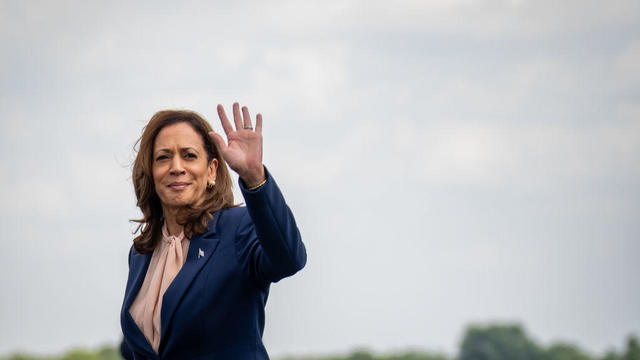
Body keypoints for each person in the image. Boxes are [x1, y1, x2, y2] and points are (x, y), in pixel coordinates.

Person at [119, 103, 307, 359]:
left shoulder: (238, 228)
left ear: (211, 170)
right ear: (151, 173)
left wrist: (254, 178)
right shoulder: (141, 253)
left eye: (189, 155)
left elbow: (289, 259)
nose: (176, 167)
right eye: (163, 157)